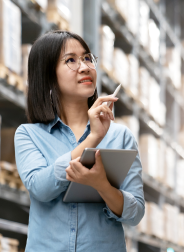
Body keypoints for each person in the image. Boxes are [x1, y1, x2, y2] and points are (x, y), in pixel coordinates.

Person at [14, 30, 145, 251]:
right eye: (71, 60)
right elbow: (40, 188)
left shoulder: (120, 137)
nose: (85, 67)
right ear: (48, 74)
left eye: (87, 58)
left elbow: (135, 213)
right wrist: (94, 138)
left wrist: (102, 185)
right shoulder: (29, 135)